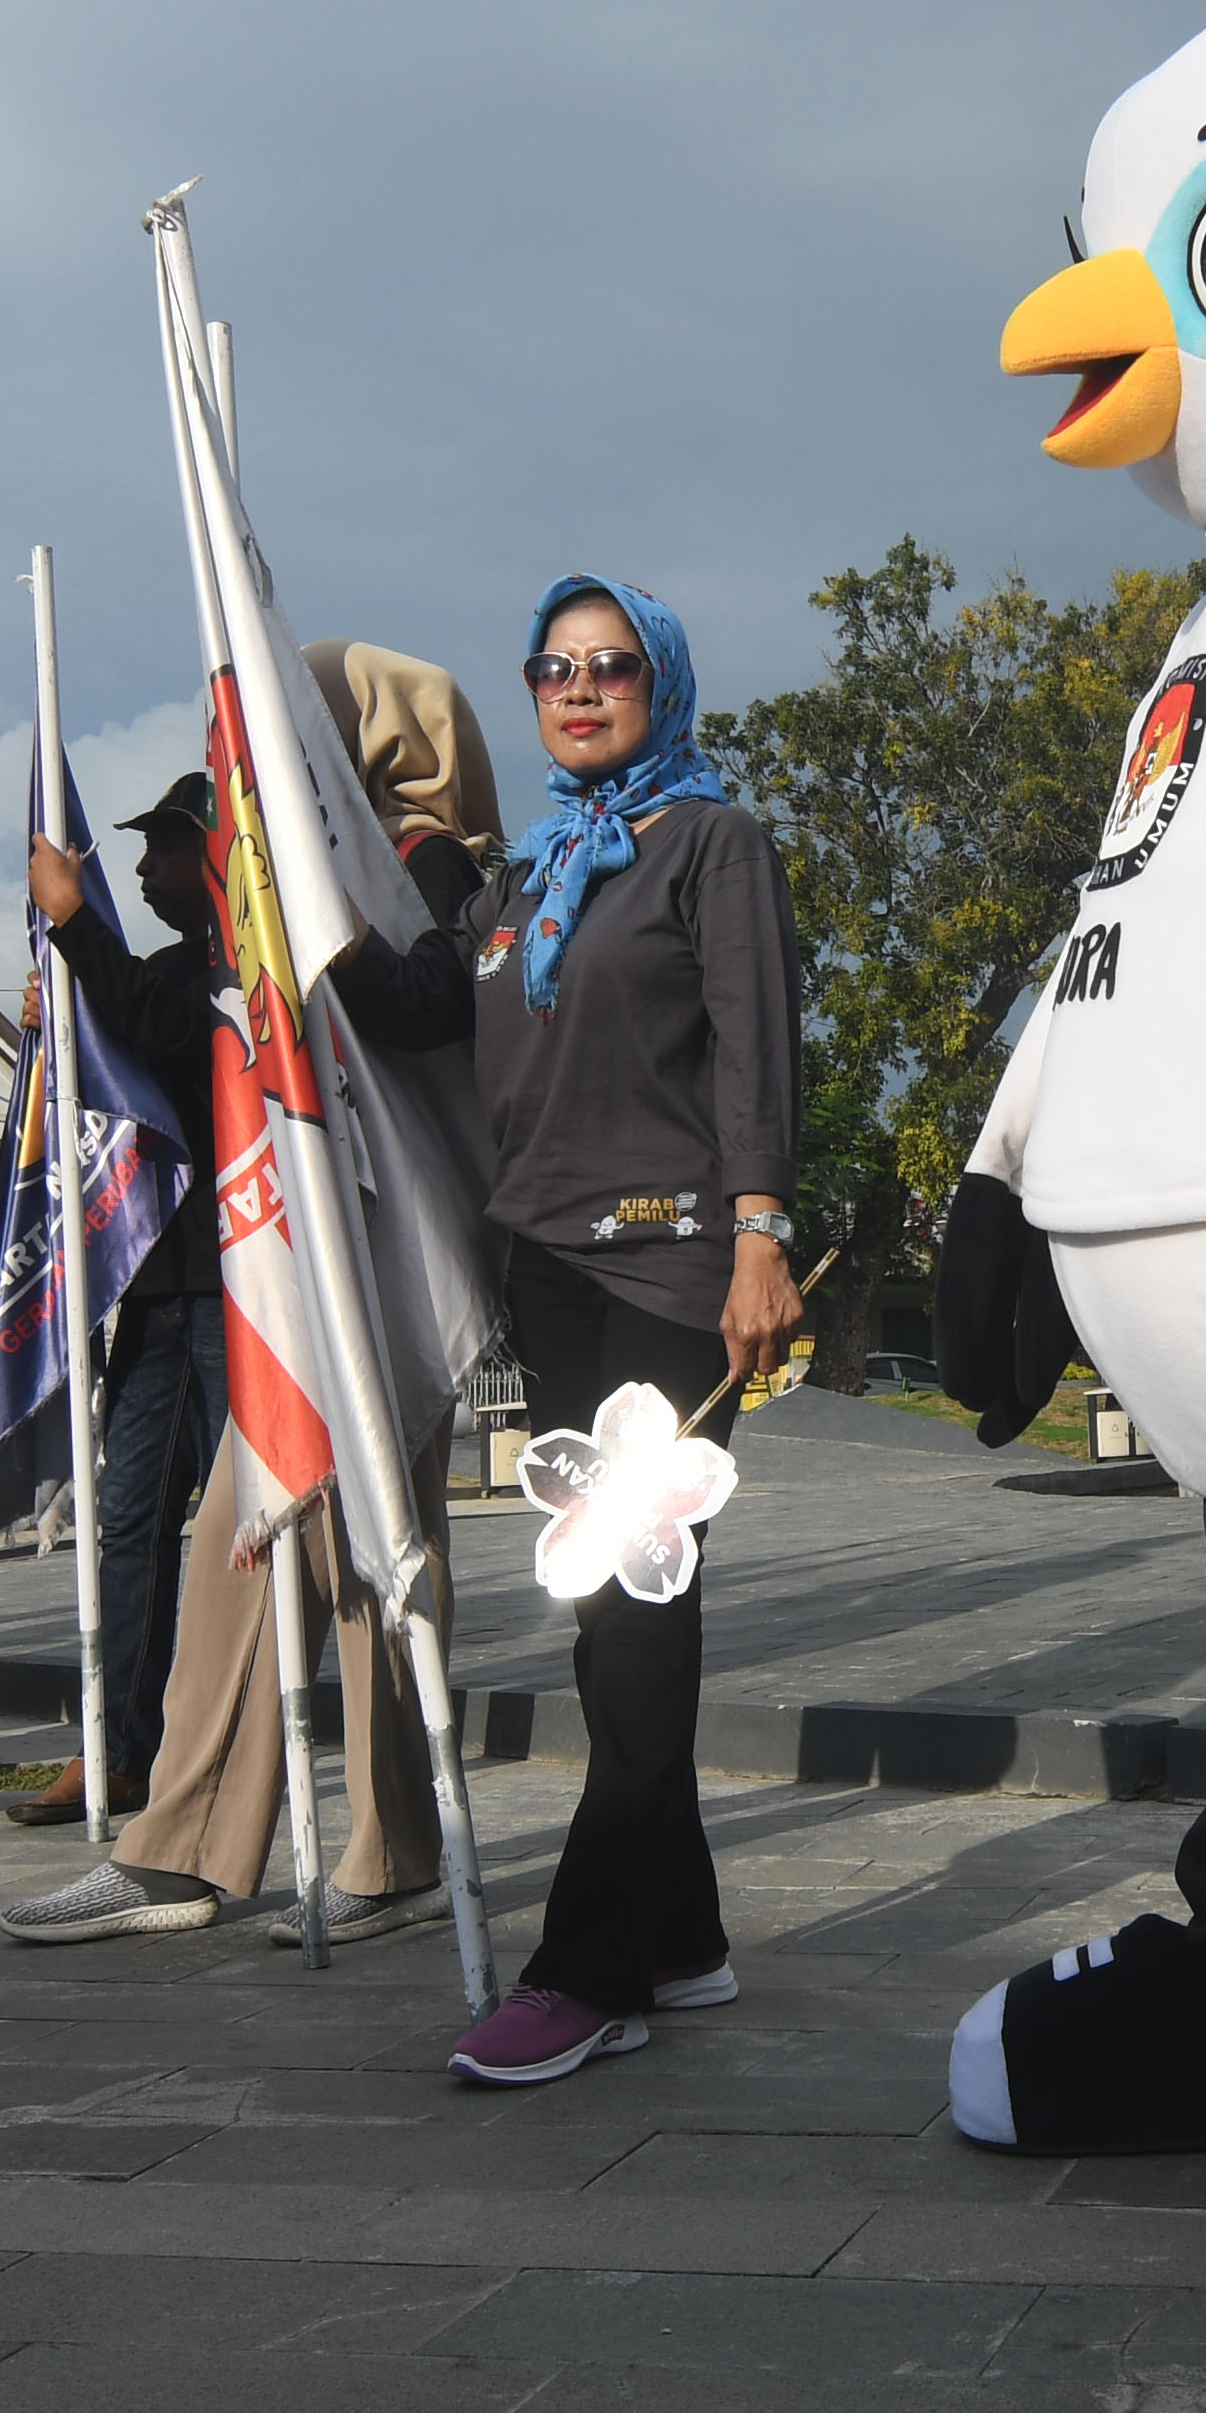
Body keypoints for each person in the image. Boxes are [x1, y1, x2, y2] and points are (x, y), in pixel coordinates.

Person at [328, 576, 799, 2084]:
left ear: (660, 682)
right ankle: (681, 1935)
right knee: (605, 1614)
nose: (580, 689)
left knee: (638, 1603)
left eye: (610, 667)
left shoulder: (710, 843)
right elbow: (413, 1013)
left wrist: (760, 1239)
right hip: (551, 1276)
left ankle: (590, 1966)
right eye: (554, 667)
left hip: (671, 1270)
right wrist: (287, 889)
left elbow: (755, 1047)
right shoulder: (519, 879)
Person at [1, 643, 498, 1952]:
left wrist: (303, 932)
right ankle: (228, 1847)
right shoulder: (285, 878)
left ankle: (344, 1848)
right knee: (274, 1544)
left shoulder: (426, 857)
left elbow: (427, 1005)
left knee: (354, 1554)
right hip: (308, 1266)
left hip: (386, 1255)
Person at [0, 773, 234, 1839]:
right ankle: (121, 1746)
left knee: (257, 1529)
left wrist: (75, 925)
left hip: (240, 1293)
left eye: (161, 851)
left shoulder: (244, 967)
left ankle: (238, 1739)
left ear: (215, 853)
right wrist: (71, 1019)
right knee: (131, 1520)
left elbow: (162, 1026)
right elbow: (130, 1043)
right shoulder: (167, 970)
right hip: (162, 1289)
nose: (139, 872)